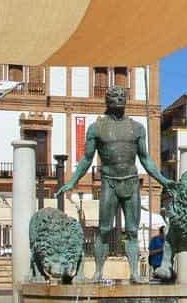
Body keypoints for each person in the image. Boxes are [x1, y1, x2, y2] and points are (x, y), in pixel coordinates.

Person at [56, 85, 174, 283]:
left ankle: (135, 273)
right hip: (109, 182)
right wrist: (73, 181)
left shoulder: (137, 128)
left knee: (133, 231)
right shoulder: (96, 128)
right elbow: (86, 159)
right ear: (107, 101)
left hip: (130, 182)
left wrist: (163, 180)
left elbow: (146, 158)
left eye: (122, 96)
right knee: (103, 230)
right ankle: (98, 272)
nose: (119, 99)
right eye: (114, 96)